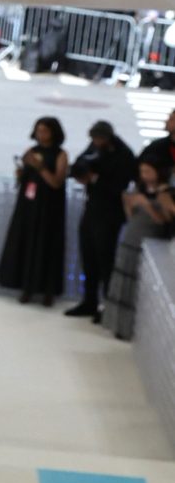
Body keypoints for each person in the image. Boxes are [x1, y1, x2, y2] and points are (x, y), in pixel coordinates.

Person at [66, 119, 136, 321]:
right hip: (93, 208)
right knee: (88, 258)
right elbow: (82, 162)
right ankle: (89, 302)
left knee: (105, 261)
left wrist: (95, 179)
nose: (96, 142)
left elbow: (119, 187)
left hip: (110, 214)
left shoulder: (123, 155)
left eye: (99, 139)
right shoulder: (95, 148)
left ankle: (108, 306)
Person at [0, 115, 68, 307]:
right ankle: (26, 286)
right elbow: (24, 178)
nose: (40, 134)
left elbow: (56, 182)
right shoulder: (30, 151)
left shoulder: (61, 155)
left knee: (47, 244)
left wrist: (40, 167)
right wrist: (21, 173)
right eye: (38, 130)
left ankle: (48, 290)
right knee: (27, 242)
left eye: (44, 130)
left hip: (49, 207)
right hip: (29, 205)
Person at [101, 156, 175, 339]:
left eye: (148, 171)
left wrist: (147, 205)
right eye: (142, 171)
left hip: (149, 243)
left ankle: (134, 328)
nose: (145, 175)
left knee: (138, 286)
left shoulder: (166, 193)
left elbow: (164, 221)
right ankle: (119, 324)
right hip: (130, 238)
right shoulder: (138, 189)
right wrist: (129, 203)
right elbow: (131, 217)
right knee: (123, 283)